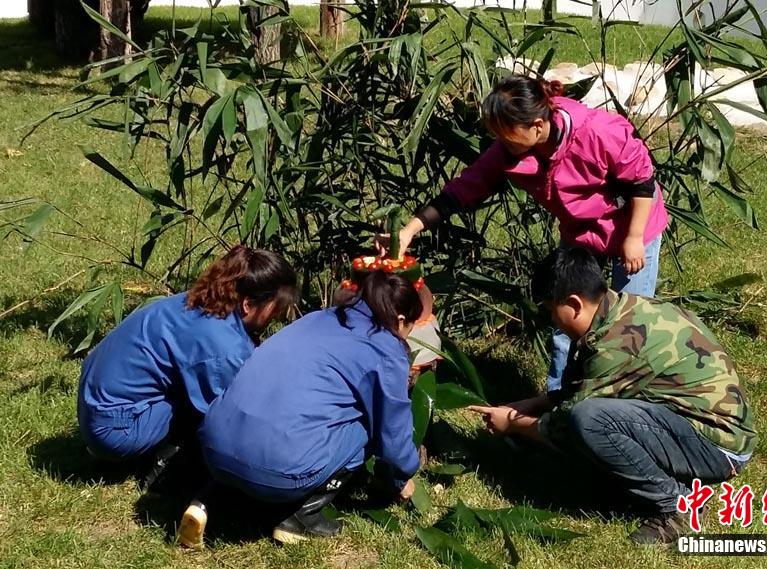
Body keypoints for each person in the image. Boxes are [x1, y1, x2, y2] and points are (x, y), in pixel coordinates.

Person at [379, 75, 669, 393]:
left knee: (629, 321)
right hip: (581, 234)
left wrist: (633, 238)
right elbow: (463, 190)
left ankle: (624, 398)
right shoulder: (511, 150)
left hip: (632, 228)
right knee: (566, 317)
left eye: (507, 135)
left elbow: (642, 180)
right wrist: (409, 230)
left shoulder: (597, 132)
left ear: (536, 125)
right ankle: (558, 400)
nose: (502, 144)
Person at [468, 247, 757, 545]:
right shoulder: (620, 309)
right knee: (592, 418)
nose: (552, 321)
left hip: (717, 447)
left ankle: (677, 506)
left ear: (574, 304)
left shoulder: (615, 345)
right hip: (710, 426)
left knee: (590, 421)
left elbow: (567, 427)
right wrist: (534, 404)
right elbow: (582, 387)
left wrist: (513, 424)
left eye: (550, 310)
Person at [178, 271, 422, 548]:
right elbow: (392, 434)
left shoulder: (320, 318)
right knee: (366, 424)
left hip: (213, 448)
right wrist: (402, 475)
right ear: (401, 320)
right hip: (277, 468)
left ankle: (206, 500)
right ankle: (299, 518)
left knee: (257, 435)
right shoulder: (385, 348)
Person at [77, 246, 297, 477]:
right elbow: (234, 416)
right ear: (248, 304)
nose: (279, 314)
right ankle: (166, 466)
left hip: (95, 407)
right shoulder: (222, 347)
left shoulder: (201, 300)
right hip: (117, 430)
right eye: (277, 306)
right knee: (215, 413)